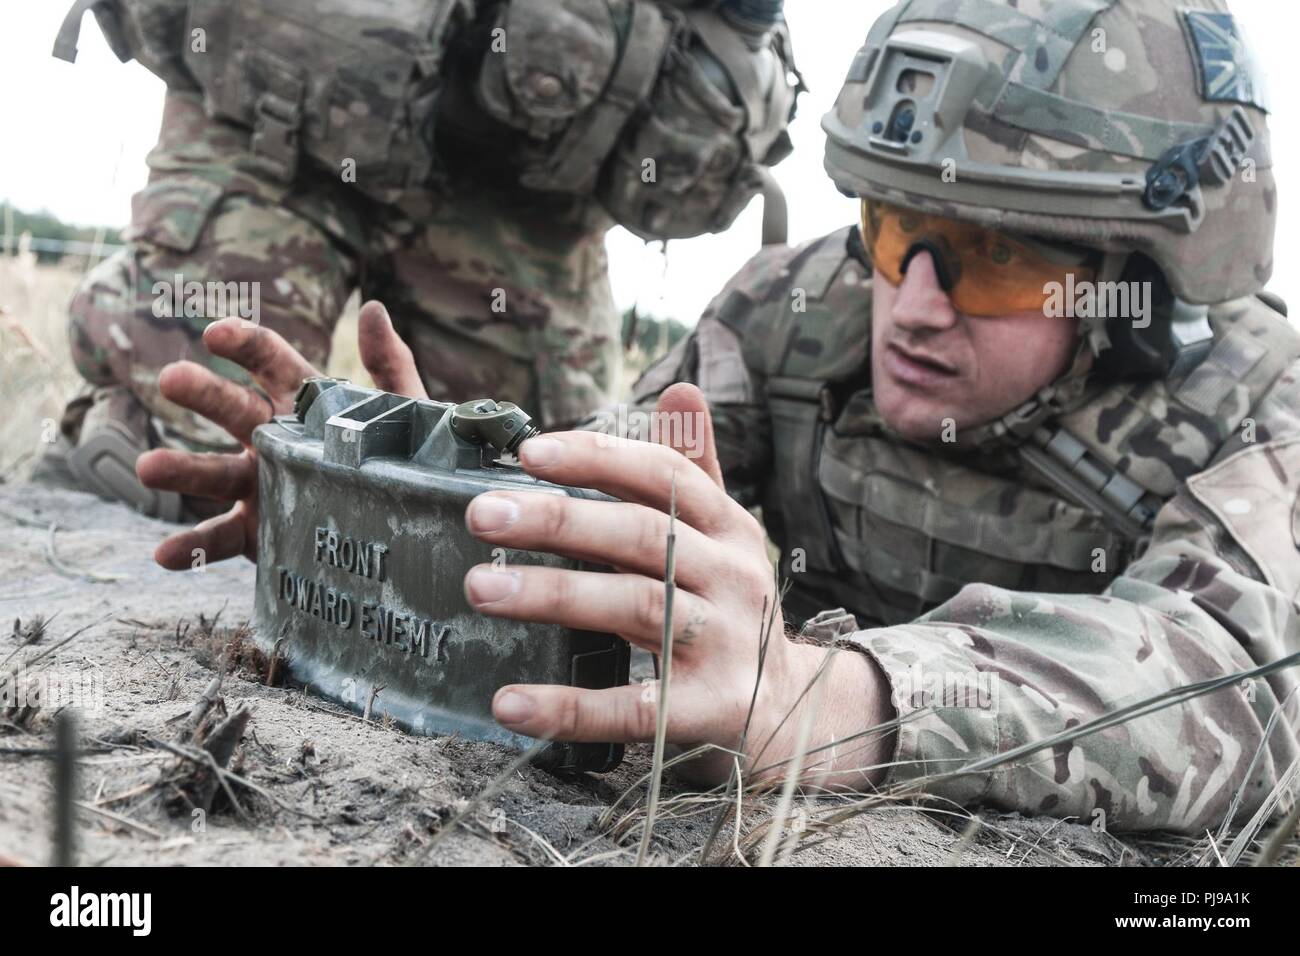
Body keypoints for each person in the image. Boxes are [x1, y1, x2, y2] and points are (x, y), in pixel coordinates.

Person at [136, 0, 1300, 833]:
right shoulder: (796, 310)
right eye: (894, 232)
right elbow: (620, 502)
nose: (914, 306)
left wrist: (836, 698)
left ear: (1140, 288)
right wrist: (408, 497)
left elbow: (1236, 688)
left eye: (994, 259)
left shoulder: (1256, 408)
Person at [43, 0, 800, 521]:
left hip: (523, 186)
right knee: (186, 452)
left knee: (524, 491)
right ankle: (127, 428)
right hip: (283, 112)